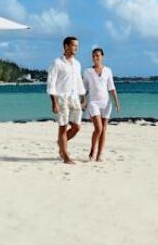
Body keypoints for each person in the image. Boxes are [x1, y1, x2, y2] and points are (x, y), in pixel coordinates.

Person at [46, 36, 86, 164]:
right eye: (74, 45)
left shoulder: (77, 64)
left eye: (77, 46)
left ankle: (61, 143)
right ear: (66, 46)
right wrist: (54, 102)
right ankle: (66, 156)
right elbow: (51, 83)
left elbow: (79, 81)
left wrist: (83, 97)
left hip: (74, 98)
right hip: (62, 98)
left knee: (77, 127)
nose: (76, 48)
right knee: (63, 127)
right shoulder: (57, 63)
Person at [83, 48, 121, 162]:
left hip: (106, 103)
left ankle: (99, 155)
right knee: (98, 129)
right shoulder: (87, 71)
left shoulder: (108, 70)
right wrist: (83, 101)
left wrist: (117, 102)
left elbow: (111, 87)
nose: (95, 57)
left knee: (103, 130)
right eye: (93, 56)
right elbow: (84, 89)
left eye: (97, 55)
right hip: (93, 103)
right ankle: (92, 150)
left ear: (102, 56)